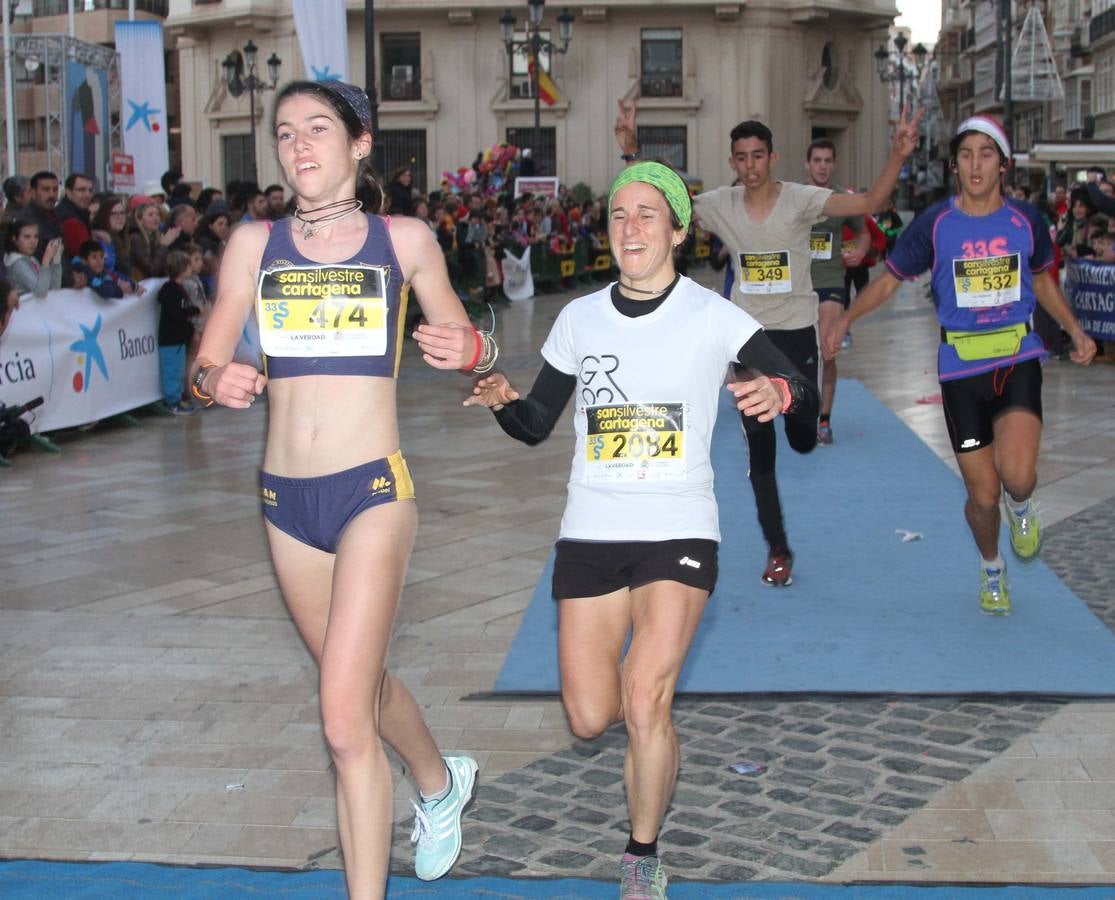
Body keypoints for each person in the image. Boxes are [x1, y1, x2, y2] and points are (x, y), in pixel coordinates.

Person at [461, 161, 818, 900]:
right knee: (591, 717)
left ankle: (642, 853)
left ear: (679, 230)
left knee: (644, 698)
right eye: (619, 214)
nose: (629, 227)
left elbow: (801, 386)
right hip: (591, 530)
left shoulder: (713, 316)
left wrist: (778, 388)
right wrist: (502, 398)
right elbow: (535, 427)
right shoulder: (578, 319)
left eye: (647, 214)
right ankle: (639, 823)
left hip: (678, 526)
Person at [192, 79, 490, 899]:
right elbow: (203, 361)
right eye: (285, 133)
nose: (298, 146)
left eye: (317, 129)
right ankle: (438, 780)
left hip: (371, 492)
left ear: (360, 144)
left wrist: (465, 349)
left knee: (339, 718)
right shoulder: (253, 246)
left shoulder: (405, 240)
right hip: (286, 503)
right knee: (353, 684)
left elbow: (475, 341)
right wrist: (213, 381)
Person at [615, 98, 921, 587]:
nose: (751, 165)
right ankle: (778, 550)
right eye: (742, 157)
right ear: (733, 162)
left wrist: (898, 156)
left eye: (759, 155)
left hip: (796, 336)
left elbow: (867, 205)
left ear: (772, 158)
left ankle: (808, 419)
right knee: (761, 455)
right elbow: (662, 197)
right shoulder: (720, 205)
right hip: (744, 343)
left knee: (800, 441)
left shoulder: (801, 199)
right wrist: (633, 154)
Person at [822, 115, 1097, 616]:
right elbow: (888, 279)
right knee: (983, 496)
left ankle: (1024, 507)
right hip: (960, 368)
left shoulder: (1025, 221)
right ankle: (992, 567)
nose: (975, 164)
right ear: (954, 166)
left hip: (1017, 356)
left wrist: (1076, 330)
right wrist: (844, 317)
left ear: (1003, 165)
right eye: (966, 155)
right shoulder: (936, 223)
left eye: (986, 154)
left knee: (1016, 479)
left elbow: (1042, 281)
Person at [804, 139, 869, 446]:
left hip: (831, 282)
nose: (822, 166)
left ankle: (824, 421)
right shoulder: (795, 197)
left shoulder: (844, 198)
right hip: (798, 286)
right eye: (817, 160)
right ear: (808, 164)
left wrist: (860, 250)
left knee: (827, 350)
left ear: (834, 164)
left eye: (828, 160)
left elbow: (864, 232)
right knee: (803, 355)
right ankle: (803, 411)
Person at [3, 218, 63, 298]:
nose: (33, 242)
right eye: (27, 237)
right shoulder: (17, 263)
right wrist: (46, 260)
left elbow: (54, 288)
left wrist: (56, 260)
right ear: (14, 239)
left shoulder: (32, 259)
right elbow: (40, 293)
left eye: (36, 237)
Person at [129, 200, 179, 280]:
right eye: (150, 215)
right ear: (139, 220)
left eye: (158, 215)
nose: (156, 218)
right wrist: (163, 245)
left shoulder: (156, 236)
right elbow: (151, 270)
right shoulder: (136, 238)